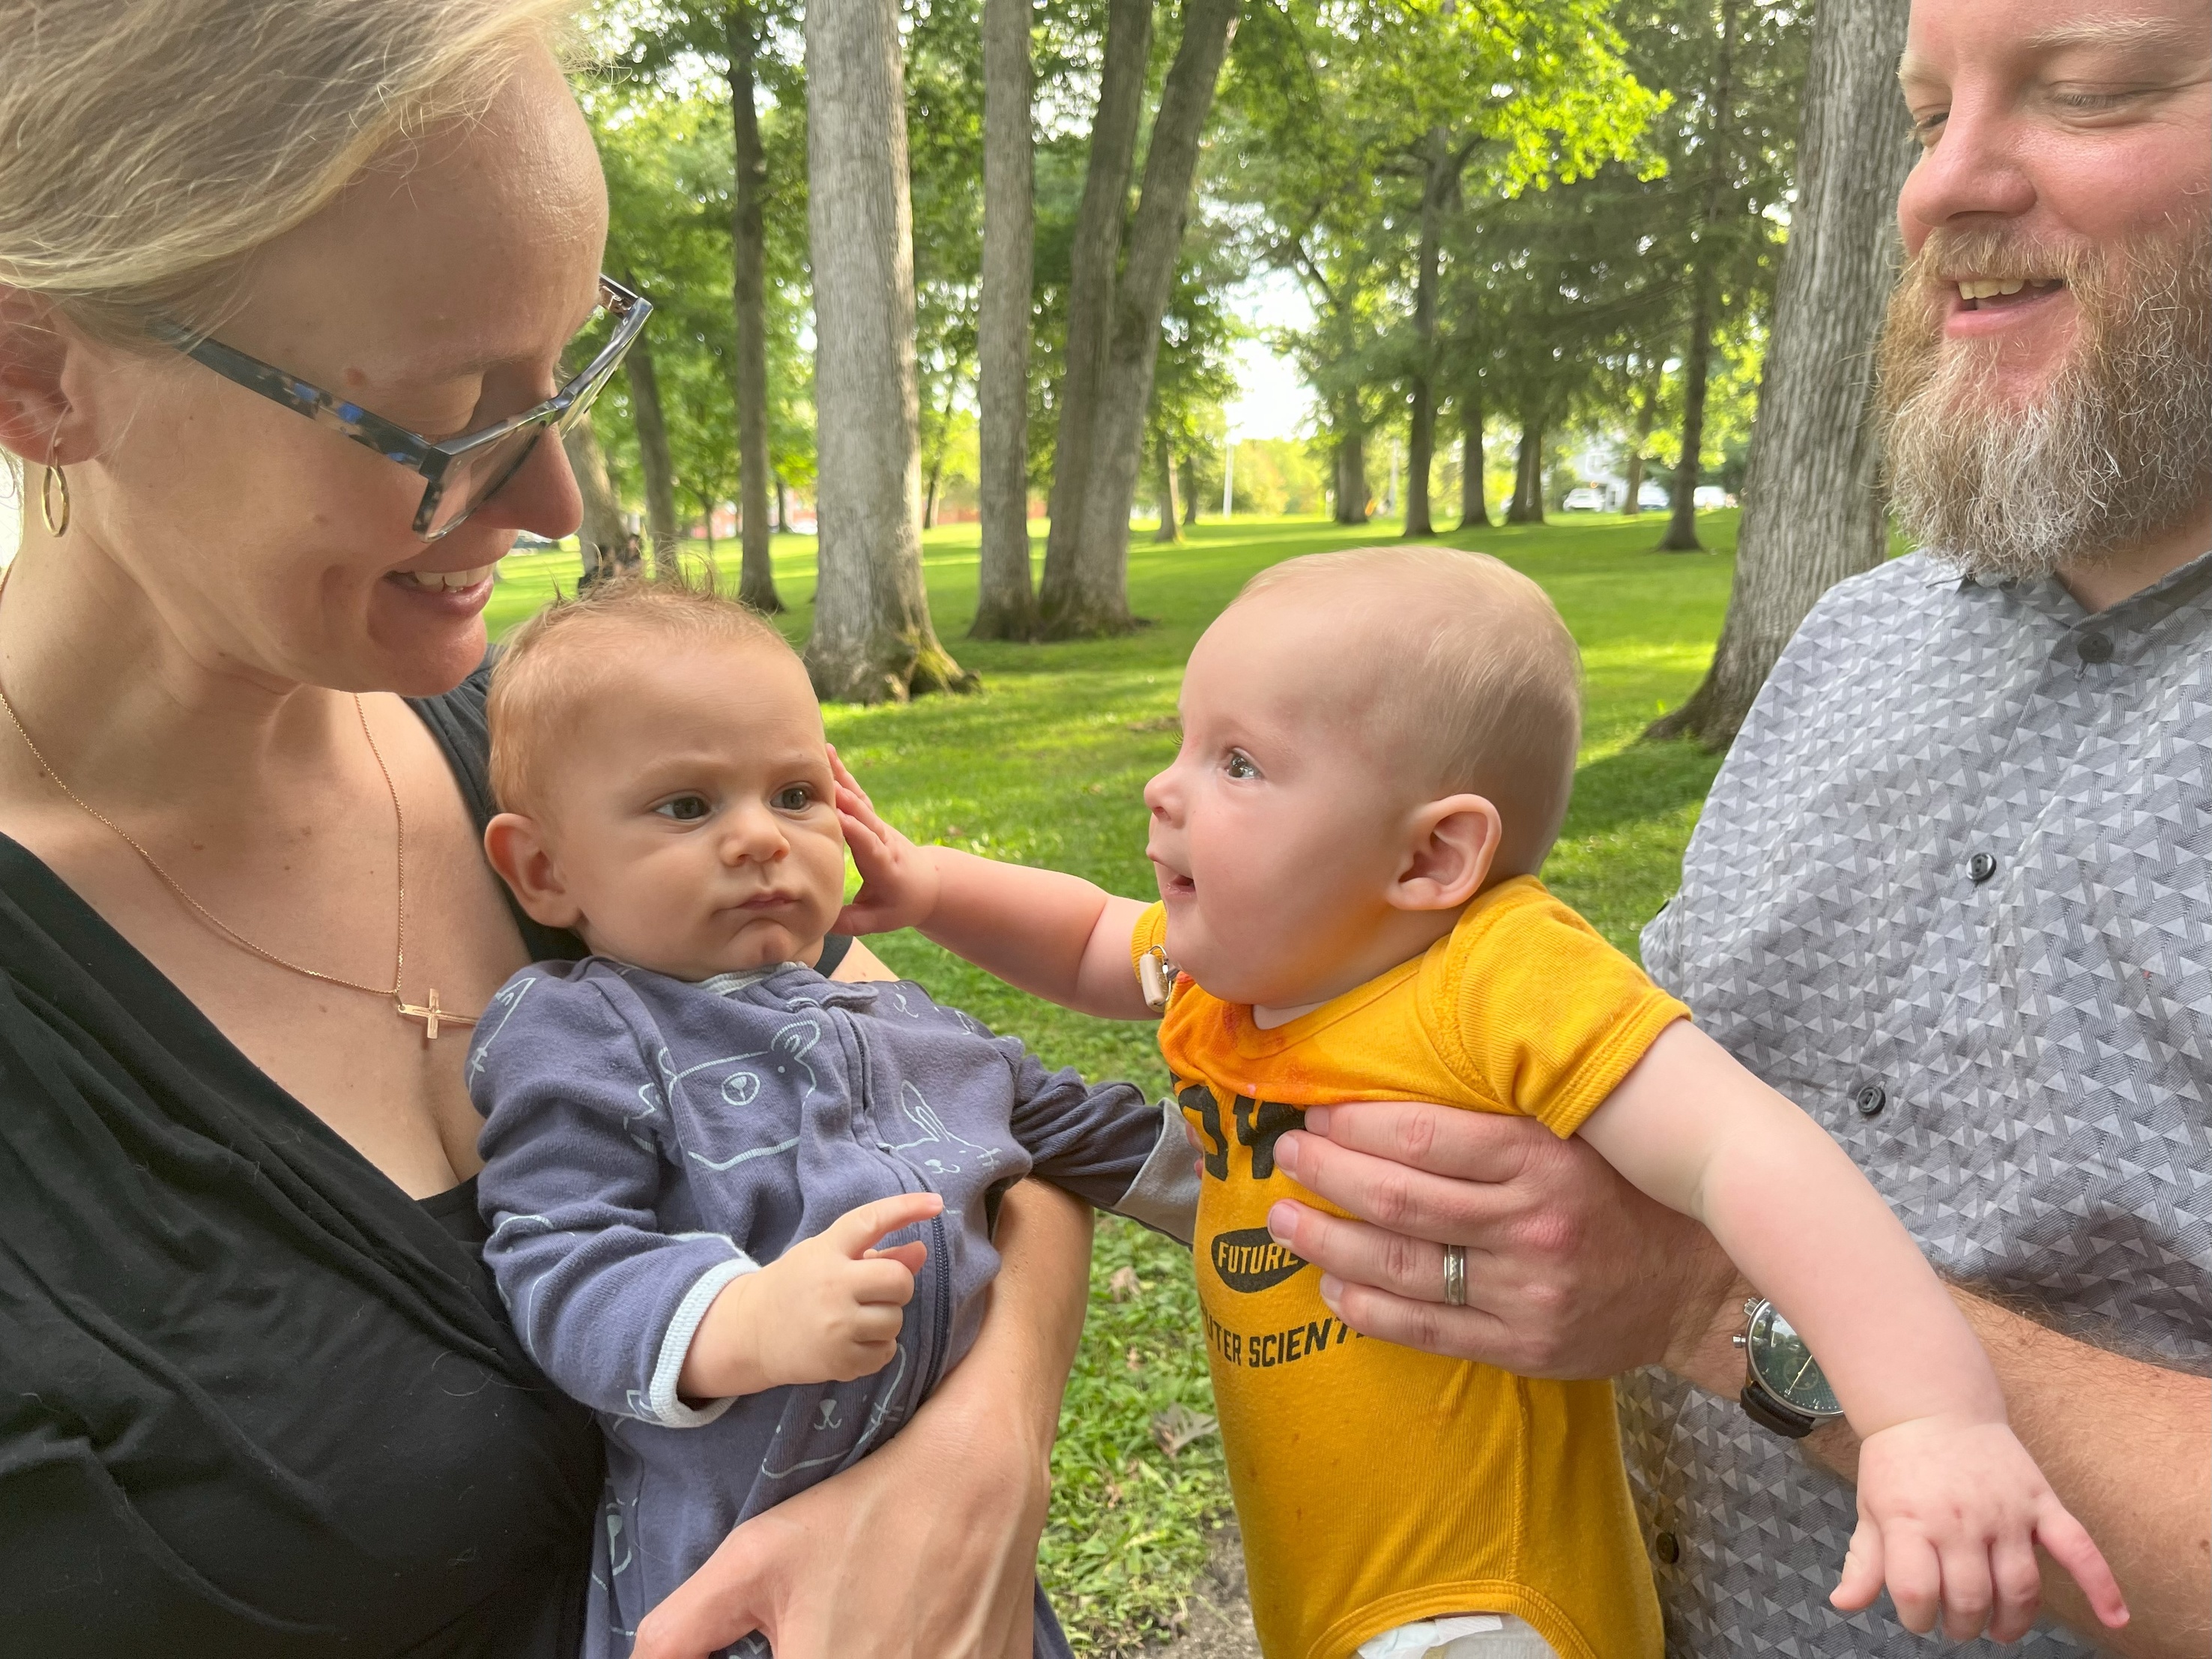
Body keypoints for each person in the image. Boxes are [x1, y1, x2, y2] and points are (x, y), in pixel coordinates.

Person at [0, 4, 1097, 1655]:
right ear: (38, 379)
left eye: (571, 363)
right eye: (448, 412)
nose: (556, 503)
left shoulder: (578, 760)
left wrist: (981, 1453)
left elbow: (973, 1136)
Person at [1251, 2, 2212, 1655]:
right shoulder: (1857, 643)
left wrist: (1711, 1306)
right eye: (1926, 117)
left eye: (2088, 92)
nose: (1937, 191)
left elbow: (1663, 1265)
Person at [826, 546, 2127, 1659]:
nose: (1165, 787)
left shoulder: (1494, 975)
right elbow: (1097, 944)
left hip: (1480, 1607)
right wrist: (926, 888)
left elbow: (1748, 1151)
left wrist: (1925, 1414)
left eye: (1237, 762)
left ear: (1432, 854)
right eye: (1183, 742)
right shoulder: (1252, 973)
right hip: (1333, 1581)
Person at [465, 580, 1194, 1658]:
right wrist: (745, 1319)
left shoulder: (900, 1015)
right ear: (543, 868)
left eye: (797, 793)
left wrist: (1284, 1190)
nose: (760, 837)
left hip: (959, 1564)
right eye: (687, 805)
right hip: (724, 1584)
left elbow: (1077, 1128)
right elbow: (559, 1257)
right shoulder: (586, 1033)